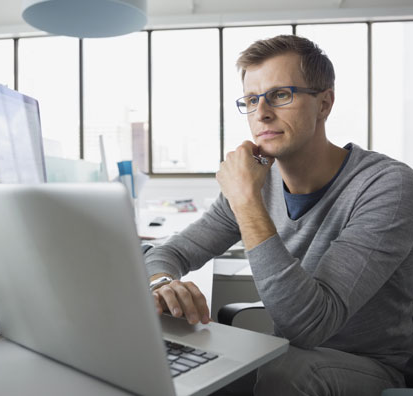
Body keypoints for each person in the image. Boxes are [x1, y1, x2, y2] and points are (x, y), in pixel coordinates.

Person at [145, 34, 413, 395]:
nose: (261, 113)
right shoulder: (260, 183)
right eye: (252, 100)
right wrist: (162, 284)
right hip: (290, 357)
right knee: (185, 367)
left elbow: (310, 325)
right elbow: (168, 253)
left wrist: (245, 200)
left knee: (282, 371)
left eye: (280, 95)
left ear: (325, 103)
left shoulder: (388, 186)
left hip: (373, 367)